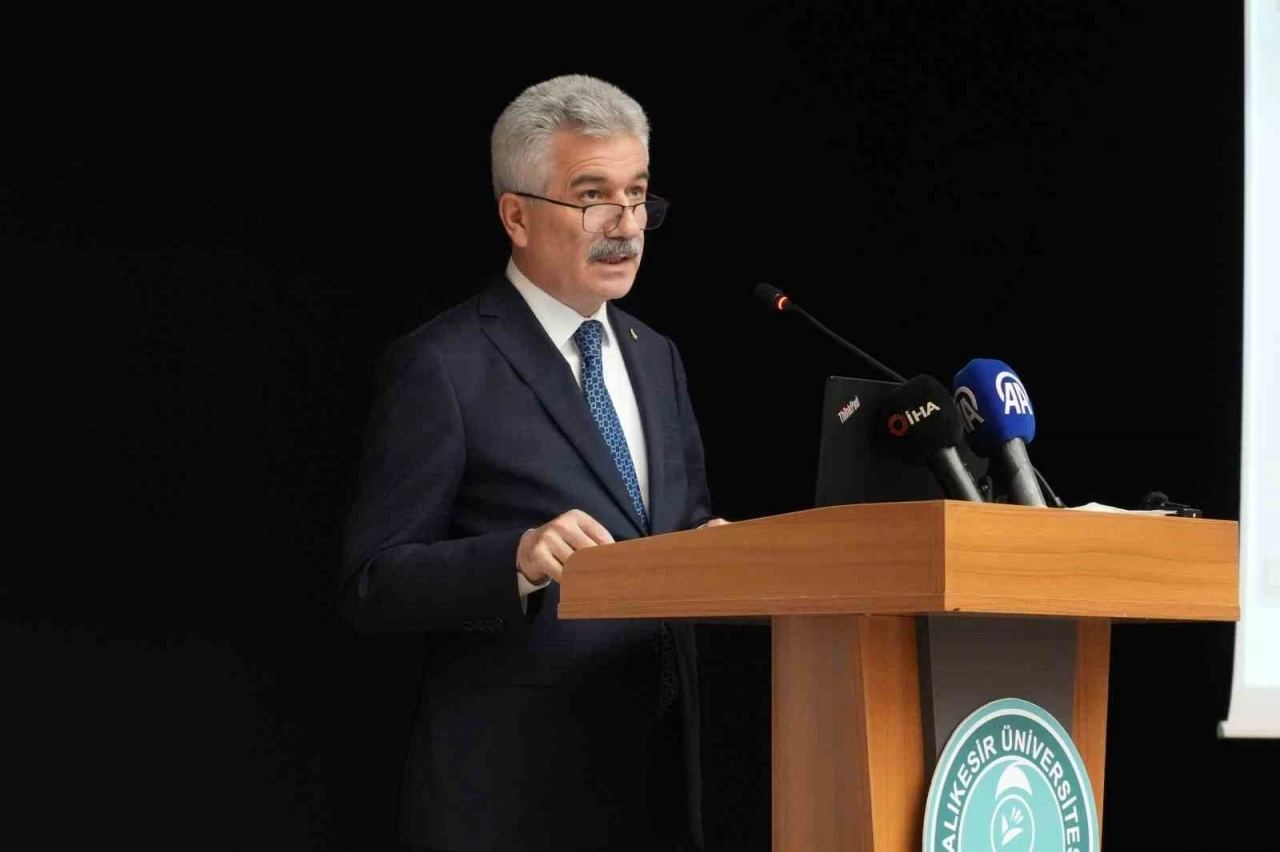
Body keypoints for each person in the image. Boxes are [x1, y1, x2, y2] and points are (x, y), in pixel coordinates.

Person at [340, 74, 726, 852]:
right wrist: (513, 560)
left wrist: (722, 551)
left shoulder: (658, 358)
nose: (627, 225)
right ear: (516, 216)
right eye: (593, 197)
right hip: (513, 799)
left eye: (638, 195)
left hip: (658, 788)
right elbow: (372, 584)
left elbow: (678, 530)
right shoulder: (443, 365)